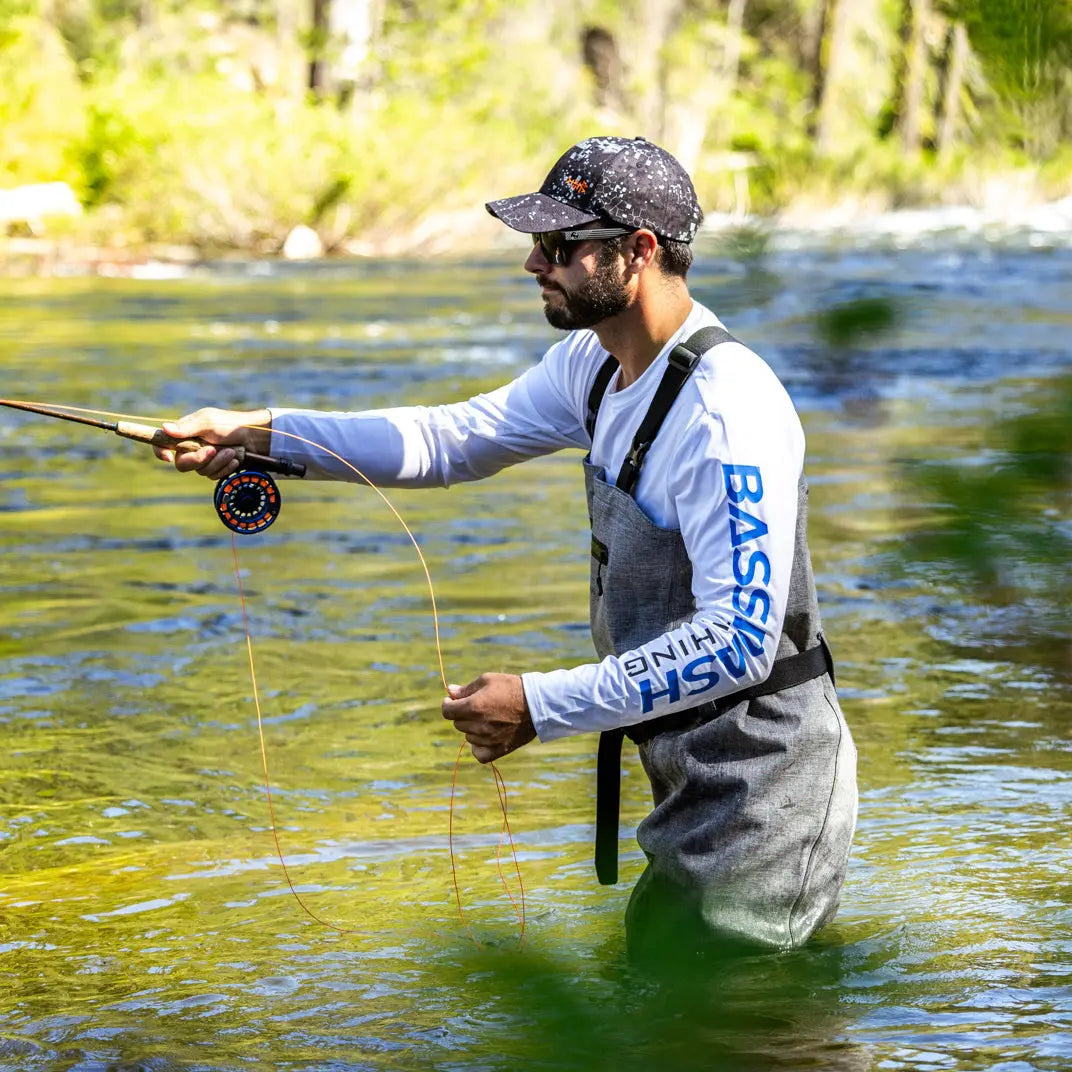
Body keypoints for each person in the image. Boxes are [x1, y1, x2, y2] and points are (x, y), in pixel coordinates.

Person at [157, 136, 857, 959]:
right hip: (686, 764)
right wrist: (265, 433)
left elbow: (740, 644)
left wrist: (537, 704)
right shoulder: (594, 368)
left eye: (561, 246)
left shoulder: (725, 416)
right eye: (536, 242)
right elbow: (452, 438)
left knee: (722, 1025)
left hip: (766, 781)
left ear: (638, 252)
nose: (534, 263)